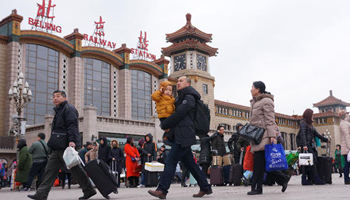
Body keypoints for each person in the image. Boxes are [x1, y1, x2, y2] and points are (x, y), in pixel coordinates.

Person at [148, 76, 212, 199]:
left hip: (185, 134)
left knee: (170, 160)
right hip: (181, 134)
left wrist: (165, 124)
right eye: (177, 81)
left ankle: (162, 190)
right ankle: (205, 187)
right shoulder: (180, 97)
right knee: (190, 164)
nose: (178, 83)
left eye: (181, 81)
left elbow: (180, 113)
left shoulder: (189, 97)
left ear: (188, 84)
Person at [28, 90, 96, 200]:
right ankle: (41, 194)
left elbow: (72, 126)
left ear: (64, 98)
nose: (55, 98)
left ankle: (89, 190)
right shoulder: (59, 110)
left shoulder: (69, 109)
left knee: (75, 169)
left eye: (58, 96)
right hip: (57, 147)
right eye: (53, 96)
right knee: (50, 170)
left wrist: (72, 141)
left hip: (65, 146)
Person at [247, 81, 289, 195]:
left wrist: (272, 135)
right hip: (256, 135)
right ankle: (282, 179)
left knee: (259, 163)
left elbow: (270, 119)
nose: (251, 89)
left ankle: (256, 188)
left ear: (258, 89)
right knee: (261, 163)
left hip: (264, 135)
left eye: (252, 87)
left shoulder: (266, 101)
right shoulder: (255, 102)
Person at [297, 108, 329, 185]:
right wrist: (304, 145)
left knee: (307, 161)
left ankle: (306, 179)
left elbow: (316, 134)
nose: (313, 116)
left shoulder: (310, 124)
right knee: (311, 160)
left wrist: (325, 139)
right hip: (307, 144)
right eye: (312, 114)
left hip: (311, 144)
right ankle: (315, 178)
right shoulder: (303, 123)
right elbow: (303, 135)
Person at [338, 110, 350, 184]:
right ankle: (346, 179)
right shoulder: (345, 124)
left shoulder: (344, 123)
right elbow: (347, 135)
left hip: (346, 146)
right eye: (347, 114)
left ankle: (347, 178)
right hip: (347, 146)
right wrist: (349, 146)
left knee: (347, 163)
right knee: (347, 163)